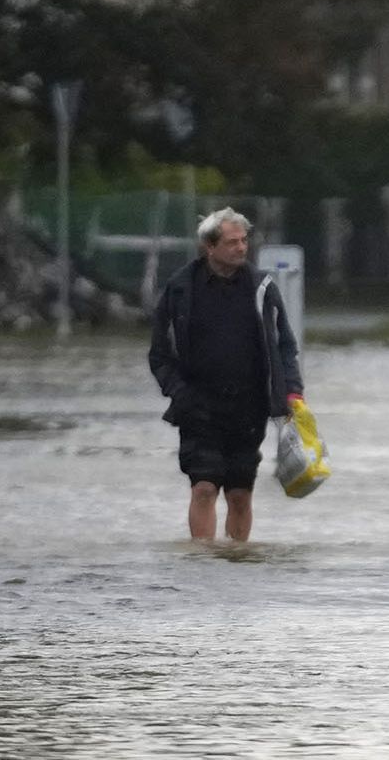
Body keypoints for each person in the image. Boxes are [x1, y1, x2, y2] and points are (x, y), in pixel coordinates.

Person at [148, 208, 303, 542]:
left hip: (250, 407)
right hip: (197, 406)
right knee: (204, 487)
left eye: (244, 240)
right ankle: (203, 558)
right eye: (232, 242)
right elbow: (159, 355)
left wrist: (292, 391)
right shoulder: (180, 289)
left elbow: (285, 345)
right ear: (210, 246)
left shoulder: (262, 287)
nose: (241, 247)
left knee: (239, 493)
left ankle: (236, 557)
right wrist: (179, 392)